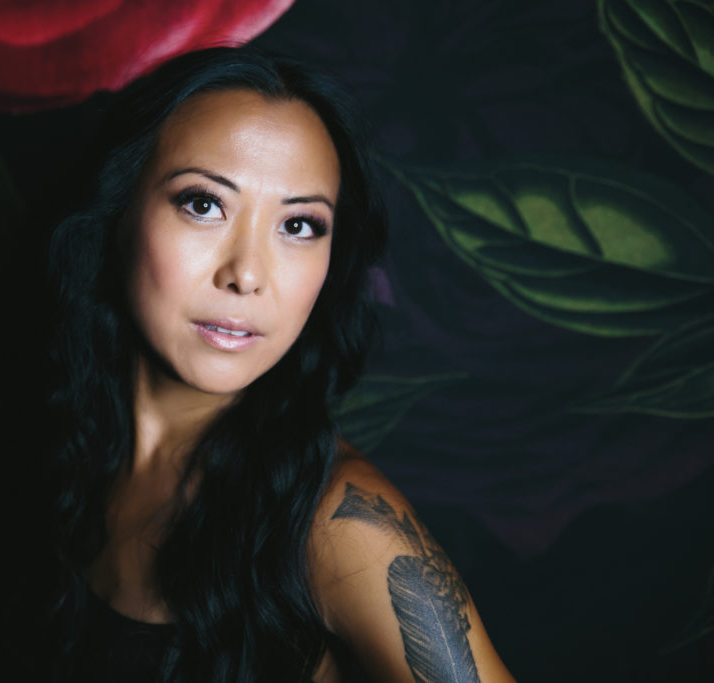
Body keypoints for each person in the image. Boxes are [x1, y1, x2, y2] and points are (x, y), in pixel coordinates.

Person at [39, 46, 513, 682]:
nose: (247, 275)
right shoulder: (63, 447)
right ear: (119, 214)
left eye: (298, 226)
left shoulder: (343, 527)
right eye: (204, 204)